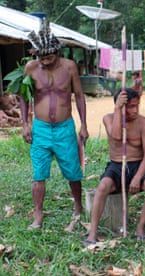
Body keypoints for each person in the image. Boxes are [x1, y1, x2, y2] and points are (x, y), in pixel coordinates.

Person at [19, 19, 89, 230]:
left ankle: (78, 207)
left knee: (73, 171)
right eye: (41, 58)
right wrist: (24, 123)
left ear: (58, 52)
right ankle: (38, 215)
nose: (45, 62)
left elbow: (78, 95)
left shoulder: (69, 68)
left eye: (49, 58)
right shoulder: (31, 68)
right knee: (39, 173)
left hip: (64, 127)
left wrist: (83, 125)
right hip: (40, 128)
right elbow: (23, 96)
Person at [86, 88, 145, 243]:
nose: (135, 110)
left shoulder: (143, 122)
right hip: (117, 165)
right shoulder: (108, 119)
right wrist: (117, 109)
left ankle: (140, 228)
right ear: (120, 106)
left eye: (137, 105)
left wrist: (138, 177)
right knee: (102, 187)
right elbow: (117, 136)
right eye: (131, 106)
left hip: (138, 165)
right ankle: (93, 233)